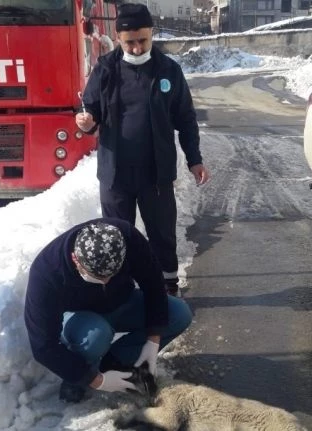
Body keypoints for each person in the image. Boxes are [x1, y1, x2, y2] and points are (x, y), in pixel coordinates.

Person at [75, 3, 210, 296]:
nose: (136, 48)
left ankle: (167, 289)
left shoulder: (168, 71)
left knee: (161, 234)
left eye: (142, 41)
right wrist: (86, 123)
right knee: (116, 236)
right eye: (129, 42)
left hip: (156, 174)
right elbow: (90, 109)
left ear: (152, 34)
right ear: (119, 38)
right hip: (115, 175)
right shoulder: (106, 69)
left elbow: (186, 119)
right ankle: (121, 292)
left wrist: (194, 159)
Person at [24, 218, 193, 403]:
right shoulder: (46, 272)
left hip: (123, 302)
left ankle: (115, 361)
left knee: (179, 314)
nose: (105, 282)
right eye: (97, 278)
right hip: (81, 318)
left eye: (112, 276)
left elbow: (154, 285)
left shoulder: (127, 237)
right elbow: (43, 345)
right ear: (75, 259)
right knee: (96, 336)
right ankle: (77, 375)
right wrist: (98, 382)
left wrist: (152, 342)